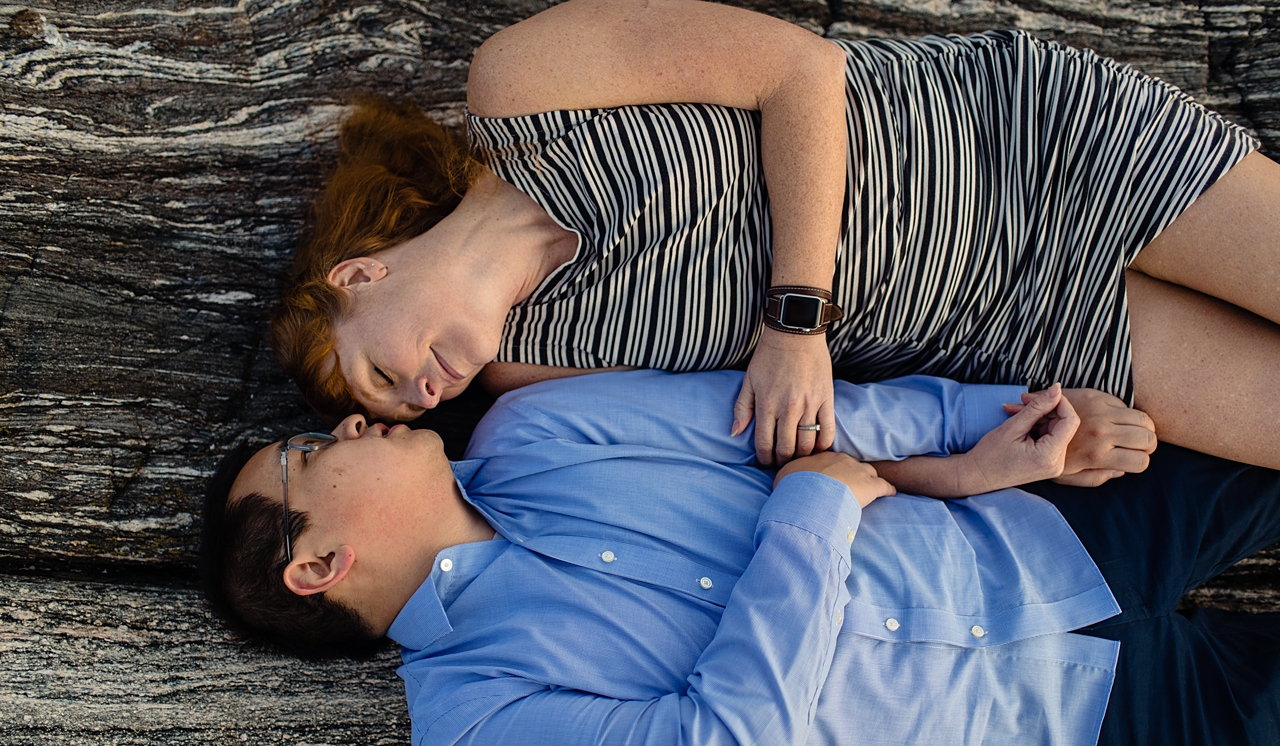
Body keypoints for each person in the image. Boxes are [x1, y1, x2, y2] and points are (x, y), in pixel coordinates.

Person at [203, 369, 1280, 746]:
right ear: (316, 565)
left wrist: (1004, 420)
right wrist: (809, 509)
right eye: (305, 456)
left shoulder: (538, 428)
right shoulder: (473, 723)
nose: (341, 426)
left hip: (1043, 519)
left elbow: (808, 416)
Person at [270, 0, 1280, 470]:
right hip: (1011, 324)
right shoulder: (536, 375)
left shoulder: (523, 87)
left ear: (360, 273)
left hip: (1026, 146)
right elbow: (768, 448)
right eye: (404, 407)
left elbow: (798, 71)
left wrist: (793, 322)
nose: (419, 397)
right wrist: (981, 457)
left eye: (381, 373)